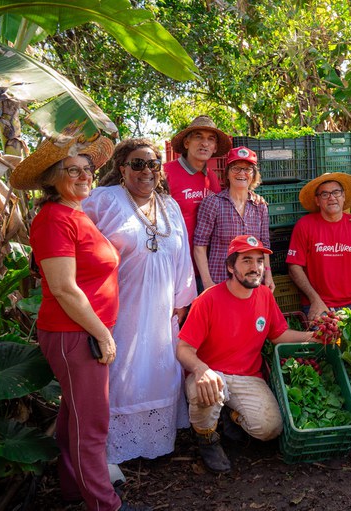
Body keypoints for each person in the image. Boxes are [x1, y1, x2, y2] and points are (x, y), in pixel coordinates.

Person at [12, 135, 150, 511]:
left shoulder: (75, 214)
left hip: (81, 332)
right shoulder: (53, 219)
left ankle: (76, 489)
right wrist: (103, 333)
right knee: (92, 424)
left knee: (76, 417)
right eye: (73, 170)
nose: (85, 175)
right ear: (54, 177)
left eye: (88, 169)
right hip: (74, 334)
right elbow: (63, 288)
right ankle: (105, 505)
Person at [85, 139, 196, 466]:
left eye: (153, 164)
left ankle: (155, 444)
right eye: (137, 164)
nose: (146, 170)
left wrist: (181, 298)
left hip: (162, 307)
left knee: (159, 368)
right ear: (122, 168)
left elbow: (183, 255)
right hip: (119, 306)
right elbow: (74, 238)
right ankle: (115, 450)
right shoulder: (103, 200)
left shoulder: (170, 206)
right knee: (122, 372)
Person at [176, 235, 319, 473]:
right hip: (210, 373)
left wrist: (311, 337)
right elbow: (183, 348)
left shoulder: (264, 295)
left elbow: (278, 334)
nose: (255, 268)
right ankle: (207, 438)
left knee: (270, 429)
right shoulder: (208, 300)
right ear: (231, 266)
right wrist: (202, 370)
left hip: (248, 376)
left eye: (259, 261)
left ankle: (230, 414)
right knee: (208, 392)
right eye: (247, 261)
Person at [287, 172, 351, 321]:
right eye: (325, 194)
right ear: (317, 201)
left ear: (343, 196)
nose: (331, 197)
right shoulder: (305, 225)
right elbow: (294, 267)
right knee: (330, 341)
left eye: (336, 192)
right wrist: (314, 299)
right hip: (320, 304)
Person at [164, 115, 231, 289]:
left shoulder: (212, 178)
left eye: (210, 139)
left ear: (215, 147)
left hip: (204, 268)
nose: (204, 143)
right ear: (186, 143)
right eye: (198, 137)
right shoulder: (166, 173)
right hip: (174, 267)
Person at [194, 146, 273, 290]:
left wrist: (268, 275)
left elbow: (264, 245)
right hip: (220, 282)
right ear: (228, 174)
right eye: (236, 168)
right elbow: (200, 246)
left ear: (253, 175)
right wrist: (207, 283)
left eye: (247, 169)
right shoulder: (213, 203)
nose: (241, 173)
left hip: (251, 282)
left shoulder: (260, 205)